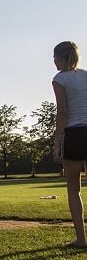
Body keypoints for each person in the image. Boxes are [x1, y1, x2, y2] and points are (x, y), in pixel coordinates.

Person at [52, 41, 87, 248]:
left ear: (63, 58)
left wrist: (57, 142)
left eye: (55, 57)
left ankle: (82, 240)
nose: (54, 61)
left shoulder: (59, 79)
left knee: (74, 190)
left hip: (74, 133)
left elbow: (63, 112)